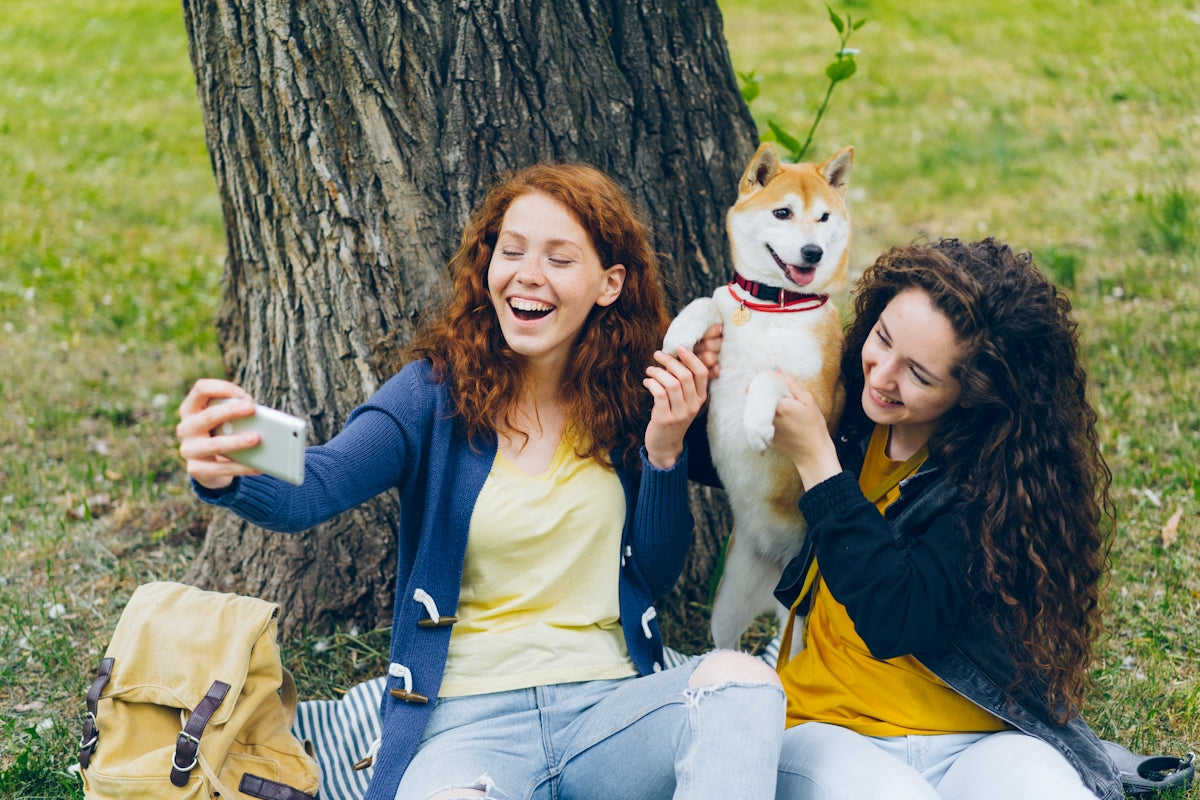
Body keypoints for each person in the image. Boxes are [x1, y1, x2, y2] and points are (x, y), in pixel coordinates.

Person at [176, 162, 785, 800]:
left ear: (609, 284)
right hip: (466, 728)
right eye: (512, 250)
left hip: (609, 714)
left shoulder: (636, 398)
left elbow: (654, 577)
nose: (527, 273)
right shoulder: (432, 395)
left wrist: (664, 452)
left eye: (559, 258)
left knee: (744, 688)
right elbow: (318, 484)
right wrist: (232, 464)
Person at [764, 238, 1123, 799]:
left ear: (973, 393)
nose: (881, 376)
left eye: (919, 376)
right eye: (881, 339)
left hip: (976, 738)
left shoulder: (994, 485)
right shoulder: (845, 413)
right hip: (831, 727)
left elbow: (898, 616)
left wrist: (818, 464)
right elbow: (733, 458)